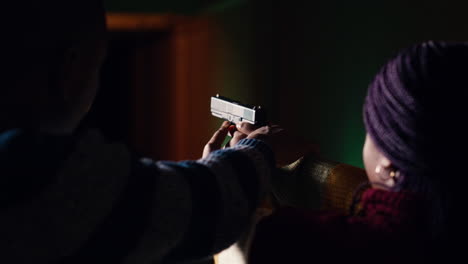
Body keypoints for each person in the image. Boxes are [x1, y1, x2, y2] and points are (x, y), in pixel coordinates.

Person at [0, 1, 307, 263]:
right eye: (97, 66)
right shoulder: (37, 171)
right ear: (70, 69)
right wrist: (259, 148)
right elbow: (203, 207)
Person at [248, 41, 468, 263]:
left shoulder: (297, 241)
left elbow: (228, 221)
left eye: (370, 130)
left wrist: (246, 157)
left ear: (388, 162)